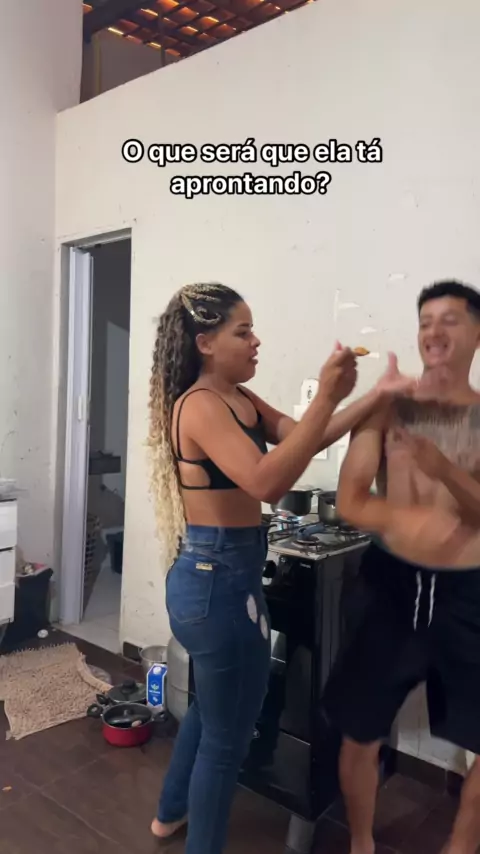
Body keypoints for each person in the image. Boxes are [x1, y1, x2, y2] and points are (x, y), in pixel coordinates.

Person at [147, 282, 414, 854]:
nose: (256, 341)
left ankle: (168, 815)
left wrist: (373, 396)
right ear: (206, 343)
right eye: (243, 331)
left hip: (224, 577)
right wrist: (329, 393)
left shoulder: (238, 398)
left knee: (210, 713)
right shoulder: (200, 404)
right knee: (226, 741)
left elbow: (306, 438)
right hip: (215, 582)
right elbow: (268, 482)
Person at [324, 279, 480, 854]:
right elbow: (350, 500)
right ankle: (361, 843)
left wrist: (443, 470)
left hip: (469, 593)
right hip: (391, 587)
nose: (434, 332)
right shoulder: (388, 407)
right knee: (359, 730)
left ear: (477, 334)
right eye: (425, 322)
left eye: (450, 320)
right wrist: (402, 517)